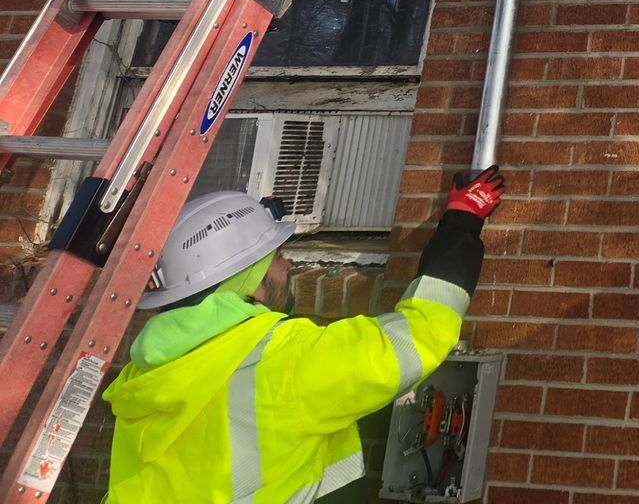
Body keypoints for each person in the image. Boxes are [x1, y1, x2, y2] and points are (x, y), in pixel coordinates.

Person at [102, 166, 506, 503]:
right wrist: (462, 224)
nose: (288, 264)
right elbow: (416, 335)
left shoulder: (143, 376)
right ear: (249, 281)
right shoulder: (282, 357)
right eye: (276, 256)